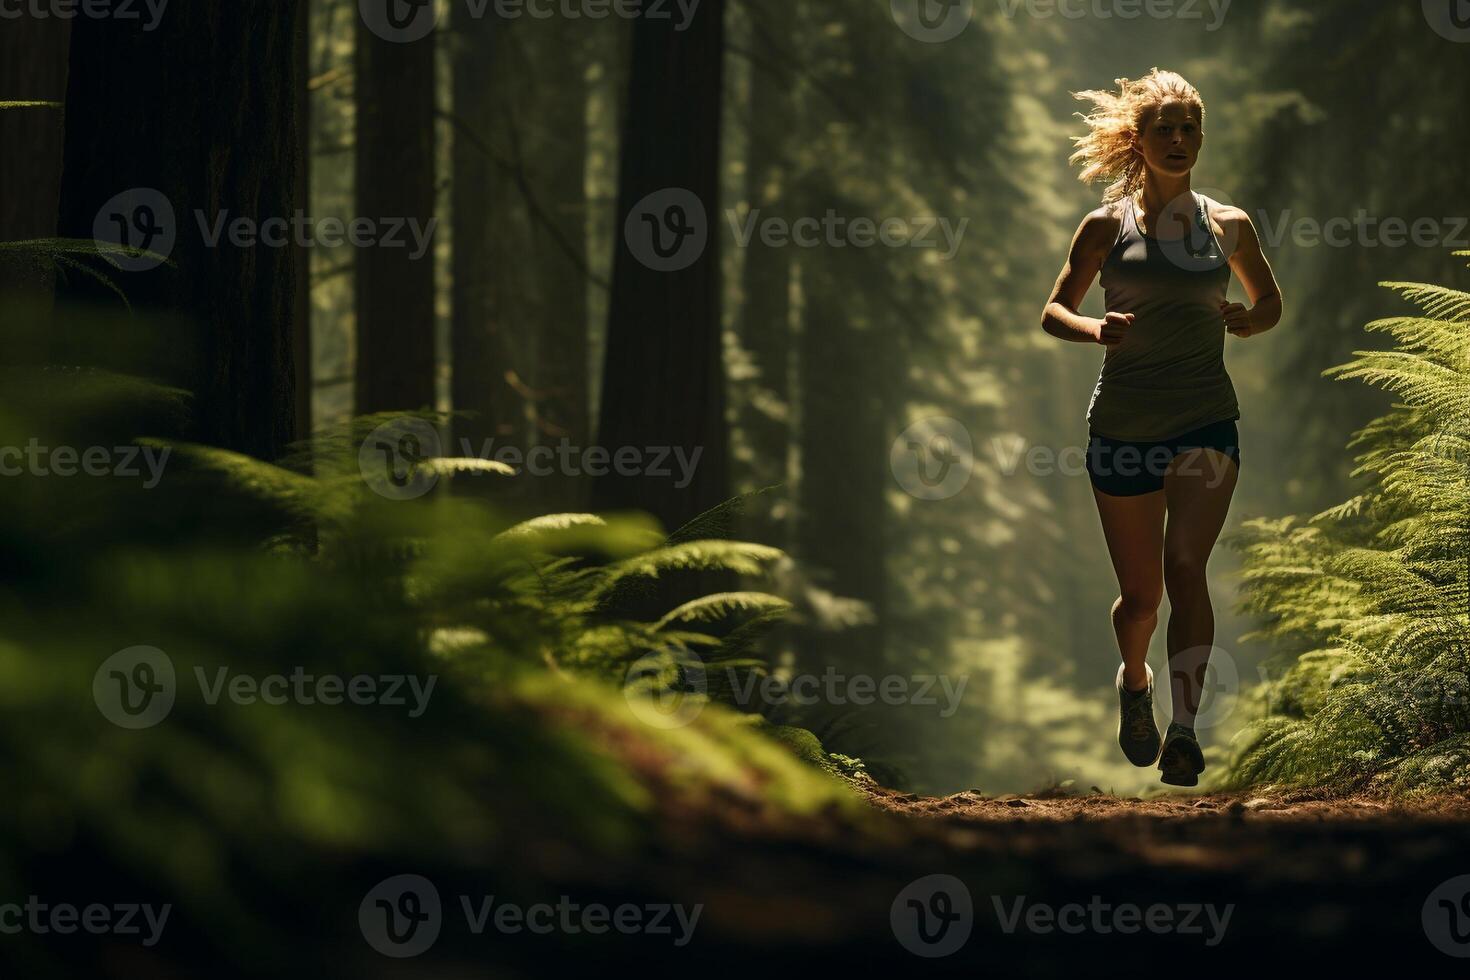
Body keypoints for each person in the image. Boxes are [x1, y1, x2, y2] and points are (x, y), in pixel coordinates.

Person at [1040, 69, 1283, 786]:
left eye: (1189, 129)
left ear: (1201, 137)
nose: (1179, 141)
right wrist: (1094, 330)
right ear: (1137, 141)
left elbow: (1269, 299)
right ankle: (1135, 683)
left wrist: (1248, 318)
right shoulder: (1104, 226)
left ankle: (1184, 728)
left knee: (1187, 571)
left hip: (1207, 420)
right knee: (1141, 598)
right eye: (1164, 130)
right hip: (1121, 428)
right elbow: (1054, 310)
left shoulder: (1229, 224)